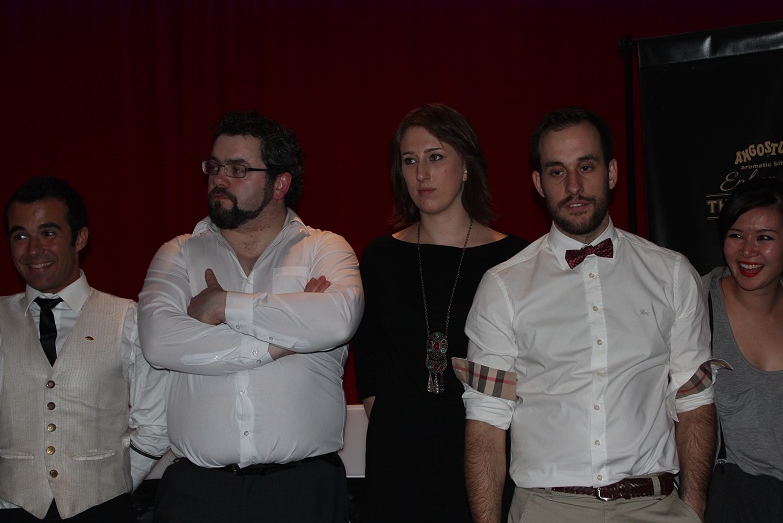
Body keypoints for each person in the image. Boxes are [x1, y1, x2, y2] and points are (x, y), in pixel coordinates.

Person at [456, 107, 718, 523]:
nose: (574, 186)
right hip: (547, 509)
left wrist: (693, 510)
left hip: (657, 507)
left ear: (611, 173)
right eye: (557, 171)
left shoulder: (672, 274)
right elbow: (486, 424)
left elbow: (695, 403)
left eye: (587, 166)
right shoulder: (503, 286)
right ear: (539, 183)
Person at [137, 110, 364, 523]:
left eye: (238, 169)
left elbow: (336, 320)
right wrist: (282, 342)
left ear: (280, 184)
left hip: (303, 491)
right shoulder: (178, 253)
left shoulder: (325, 248)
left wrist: (224, 304)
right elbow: (159, 342)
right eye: (214, 166)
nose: (219, 179)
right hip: (197, 494)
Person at [353, 103, 528, 522]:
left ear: (466, 166)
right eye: (409, 161)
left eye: (435, 157)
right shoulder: (380, 257)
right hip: (398, 468)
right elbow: (370, 371)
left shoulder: (515, 260)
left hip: (484, 460)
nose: (422, 174)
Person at [0, 176, 169, 522]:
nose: (33, 250)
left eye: (48, 233)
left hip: (104, 509)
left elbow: (156, 423)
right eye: (20, 236)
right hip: (12, 508)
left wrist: (114, 483)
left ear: (79, 237)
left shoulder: (128, 318)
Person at [702, 178, 783, 522]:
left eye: (765, 238)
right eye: (736, 235)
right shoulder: (695, 306)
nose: (747, 251)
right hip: (734, 500)